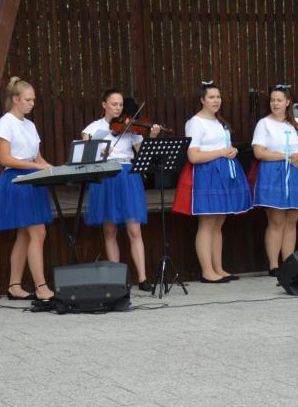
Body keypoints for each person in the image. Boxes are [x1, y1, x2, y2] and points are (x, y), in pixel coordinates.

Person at [81, 89, 160, 291]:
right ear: (104, 105)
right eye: (114, 104)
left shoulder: (130, 127)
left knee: (134, 229)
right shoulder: (92, 128)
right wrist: (101, 153)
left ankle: (142, 278)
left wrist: (151, 137)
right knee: (110, 230)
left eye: (120, 105)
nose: (118, 108)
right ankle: (116, 280)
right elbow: (84, 157)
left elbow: (143, 154)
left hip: (127, 175)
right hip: (106, 175)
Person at [173, 81, 250, 283]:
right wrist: (221, 152)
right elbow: (193, 156)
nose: (216, 101)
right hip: (206, 174)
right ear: (202, 100)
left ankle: (218, 268)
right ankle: (207, 271)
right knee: (207, 222)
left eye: (218, 97)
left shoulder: (219, 122)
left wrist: (232, 150)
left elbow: (223, 147)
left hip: (223, 174)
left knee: (219, 221)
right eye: (211, 97)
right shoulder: (195, 123)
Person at [0, 77, 55, 302]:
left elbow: (38, 158)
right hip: (17, 181)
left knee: (25, 235)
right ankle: (41, 288)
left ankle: (14, 286)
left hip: (33, 180)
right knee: (38, 232)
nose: (32, 104)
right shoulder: (5, 123)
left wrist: (53, 169)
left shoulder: (30, 125)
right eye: (28, 100)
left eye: (34, 100)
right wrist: (36, 166)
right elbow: (5, 159)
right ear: (16, 99)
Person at [252, 85, 298, 276]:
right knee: (276, 220)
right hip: (273, 173)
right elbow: (259, 152)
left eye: (279, 100)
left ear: (287, 102)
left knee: (292, 220)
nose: (275, 103)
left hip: (297, 172)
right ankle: (274, 265)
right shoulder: (264, 123)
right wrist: (286, 157)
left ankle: (288, 263)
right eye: (272, 100)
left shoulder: (297, 123)